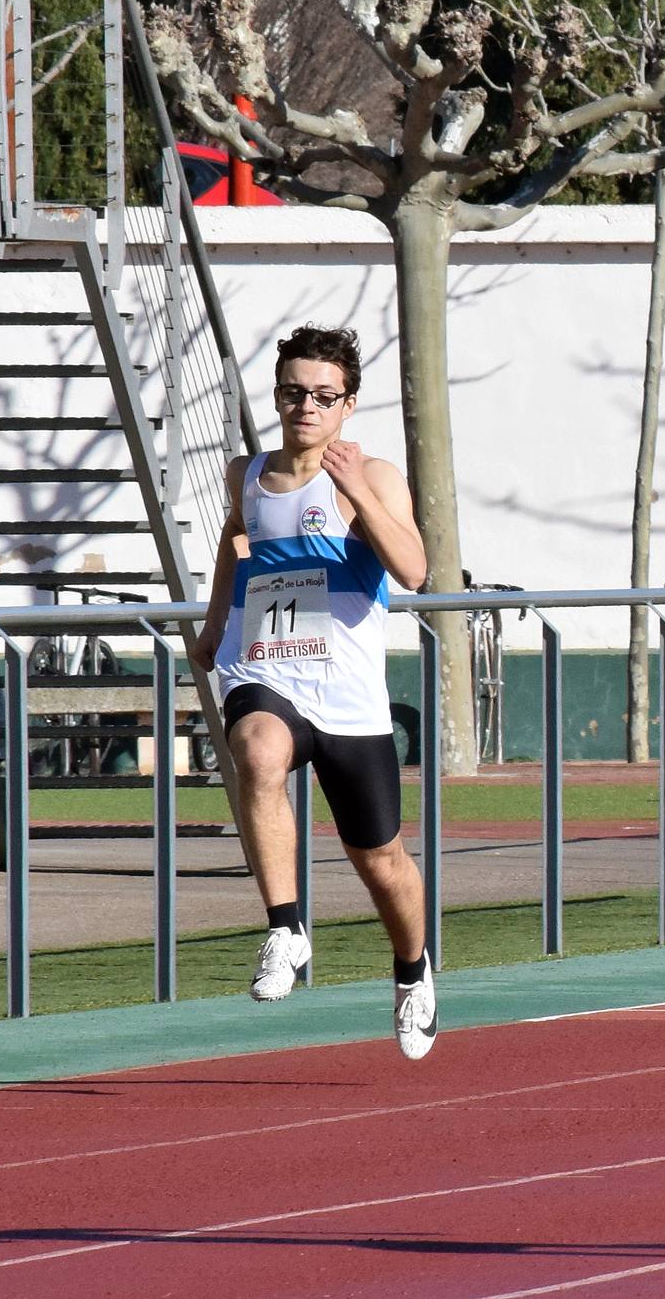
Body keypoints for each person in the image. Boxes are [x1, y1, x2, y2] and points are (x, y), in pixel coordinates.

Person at [192, 325, 436, 1059]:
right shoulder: (246, 472)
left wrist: (356, 487)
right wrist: (212, 630)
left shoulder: (374, 475)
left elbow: (416, 570)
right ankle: (286, 928)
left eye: (323, 396)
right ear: (277, 396)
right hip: (266, 669)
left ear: (347, 405)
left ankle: (413, 972)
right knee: (257, 753)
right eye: (294, 393)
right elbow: (236, 541)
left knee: (381, 861)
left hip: (348, 695)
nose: (307, 406)